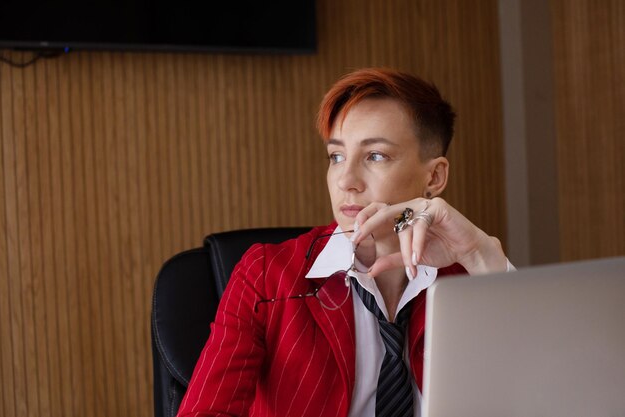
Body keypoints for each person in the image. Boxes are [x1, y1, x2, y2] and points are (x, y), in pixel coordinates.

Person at [177, 68, 512, 417]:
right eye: (336, 157)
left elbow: (542, 391)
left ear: (434, 176)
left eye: (375, 156)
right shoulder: (266, 276)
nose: (346, 180)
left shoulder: (470, 277)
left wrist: (481, 255)